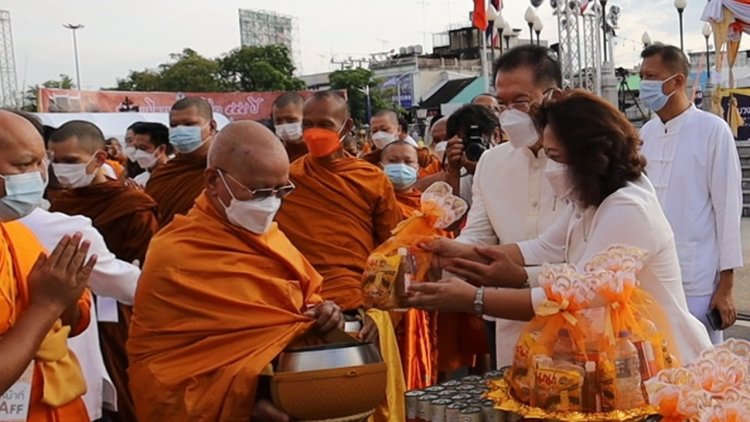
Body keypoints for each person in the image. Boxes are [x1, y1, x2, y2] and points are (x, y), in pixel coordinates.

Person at [409, 90, 712, 364]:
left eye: (554, 156)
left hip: (662, 357)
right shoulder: (591, 196)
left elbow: (577, 297)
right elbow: (546, 247)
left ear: (587, 154)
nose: (550, 167)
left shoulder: (627, 207)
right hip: (618, 354)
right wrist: (459, 253)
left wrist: (474, 299)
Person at [128, 120, 343, 421]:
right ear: (213, 181)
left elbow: (297, 310)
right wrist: (246, 403)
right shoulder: (176, 253)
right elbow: (167, 369)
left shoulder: (272, 237)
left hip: (289, 394)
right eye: (258, 192)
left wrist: (324, 315)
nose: (270, 203)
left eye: (282, 190)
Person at [275, 91, 406, 422]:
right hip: (299, 312)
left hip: (361, 314)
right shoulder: (285, 180)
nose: (314, 132)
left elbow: (390, 253)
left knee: (374, 410)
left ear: (346, 126)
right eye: (308, 124)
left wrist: (381, 317)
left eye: (325, 124)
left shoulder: (371, 179)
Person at [14, 110, 141, 421]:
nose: (46, 170)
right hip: (37, 370)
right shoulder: (63, 226)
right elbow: (130, 285)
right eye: (25, 164)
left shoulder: (128, 202)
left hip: (74, 351)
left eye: (38, 161)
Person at [47, 120, 159, 422]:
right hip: (70, 313)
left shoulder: (132, 205)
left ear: (98, 159)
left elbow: (148, 270)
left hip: (120, 317)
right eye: (54, 160)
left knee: (124, 394)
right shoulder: (59, 204)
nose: (60, 169)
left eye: (70, 161)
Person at [639, 43, 743, 344]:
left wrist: (725, 287)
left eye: (651, 76)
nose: (645, 84)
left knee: (700, 367)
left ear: (678, 81)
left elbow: (727, 210)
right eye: (642, 75)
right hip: (651, 277)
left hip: (696, 278)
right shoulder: (646, 134)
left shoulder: (712, 130)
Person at [0, 110, 95, 420]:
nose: (41, 175)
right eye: (25, 164)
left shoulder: (16, 230)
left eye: (42, 161)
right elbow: (46, 306)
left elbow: (71, 319)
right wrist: (46, 304)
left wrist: (65, 295)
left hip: (52, 403)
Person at [146, 97, 217, 227]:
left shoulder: (224, 171)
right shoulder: (163, 173)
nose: (180, 130)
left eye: (189, 124)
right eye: (174, 125)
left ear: (212, 127)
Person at [365, 109, 441, 178]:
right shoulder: (367, 161)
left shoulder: (421, 156)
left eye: (384, 130)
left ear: (399, 130)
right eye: (374, 131)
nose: (379, 135)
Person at [130, 122, 171, 188]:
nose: (138, 153)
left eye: (143, 148)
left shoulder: (176, 176)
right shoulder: (138, 180)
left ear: (161, 149)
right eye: (136, 148)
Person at [272, 92, 308, 162]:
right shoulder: (276, 153)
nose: (284, 125)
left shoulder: (317, 150)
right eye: (278, 121)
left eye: (291, 120)